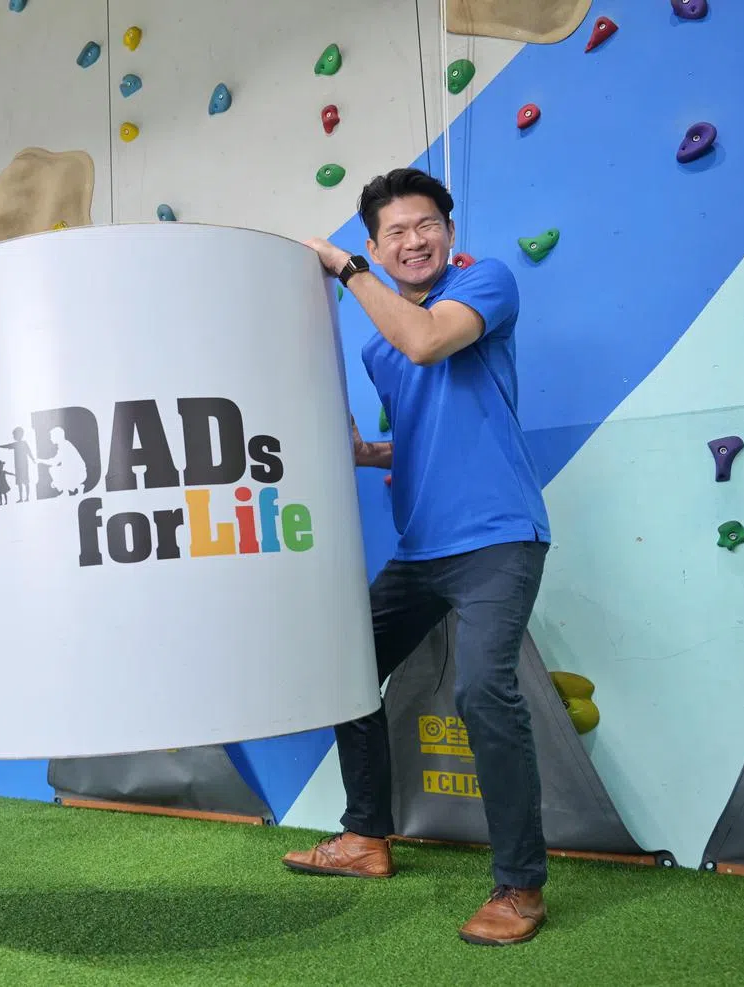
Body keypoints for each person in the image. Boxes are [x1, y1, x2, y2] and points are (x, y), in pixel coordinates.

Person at [284, 168, 552, 946]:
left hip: (499, 537)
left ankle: (520, 886)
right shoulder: (379, 349)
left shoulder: (485, 285)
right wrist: (370, 452)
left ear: (449, 232)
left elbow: (428, 341)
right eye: (393, 232)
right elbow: (430, 426)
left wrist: (345, 269)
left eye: (424, 224)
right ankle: (366, 838)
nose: (412, 240)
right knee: (345, 669)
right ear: (378, 241)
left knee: (482, 690)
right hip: (423, 549)